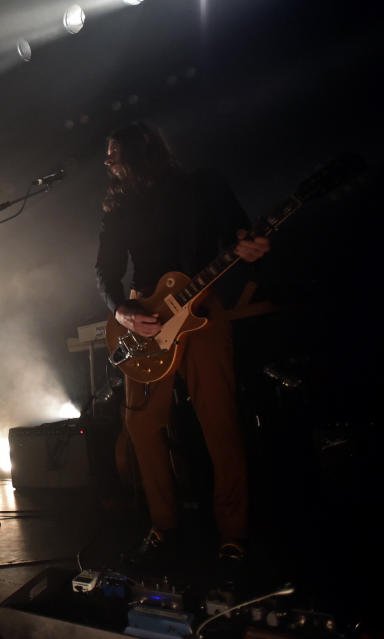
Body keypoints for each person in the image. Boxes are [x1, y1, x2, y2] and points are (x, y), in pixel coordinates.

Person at [93, 122, 270, 573]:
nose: (108, 162)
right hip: (146, 318)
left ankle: (233, 534)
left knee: (220, 420)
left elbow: (240, 233)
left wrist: (249, 247)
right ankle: (163, 526)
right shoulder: (117, 207)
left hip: (201, 307)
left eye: (114, 152)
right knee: (140, 427)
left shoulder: (203, 185)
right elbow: (105, 272)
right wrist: (123, 312)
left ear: (140, 150)